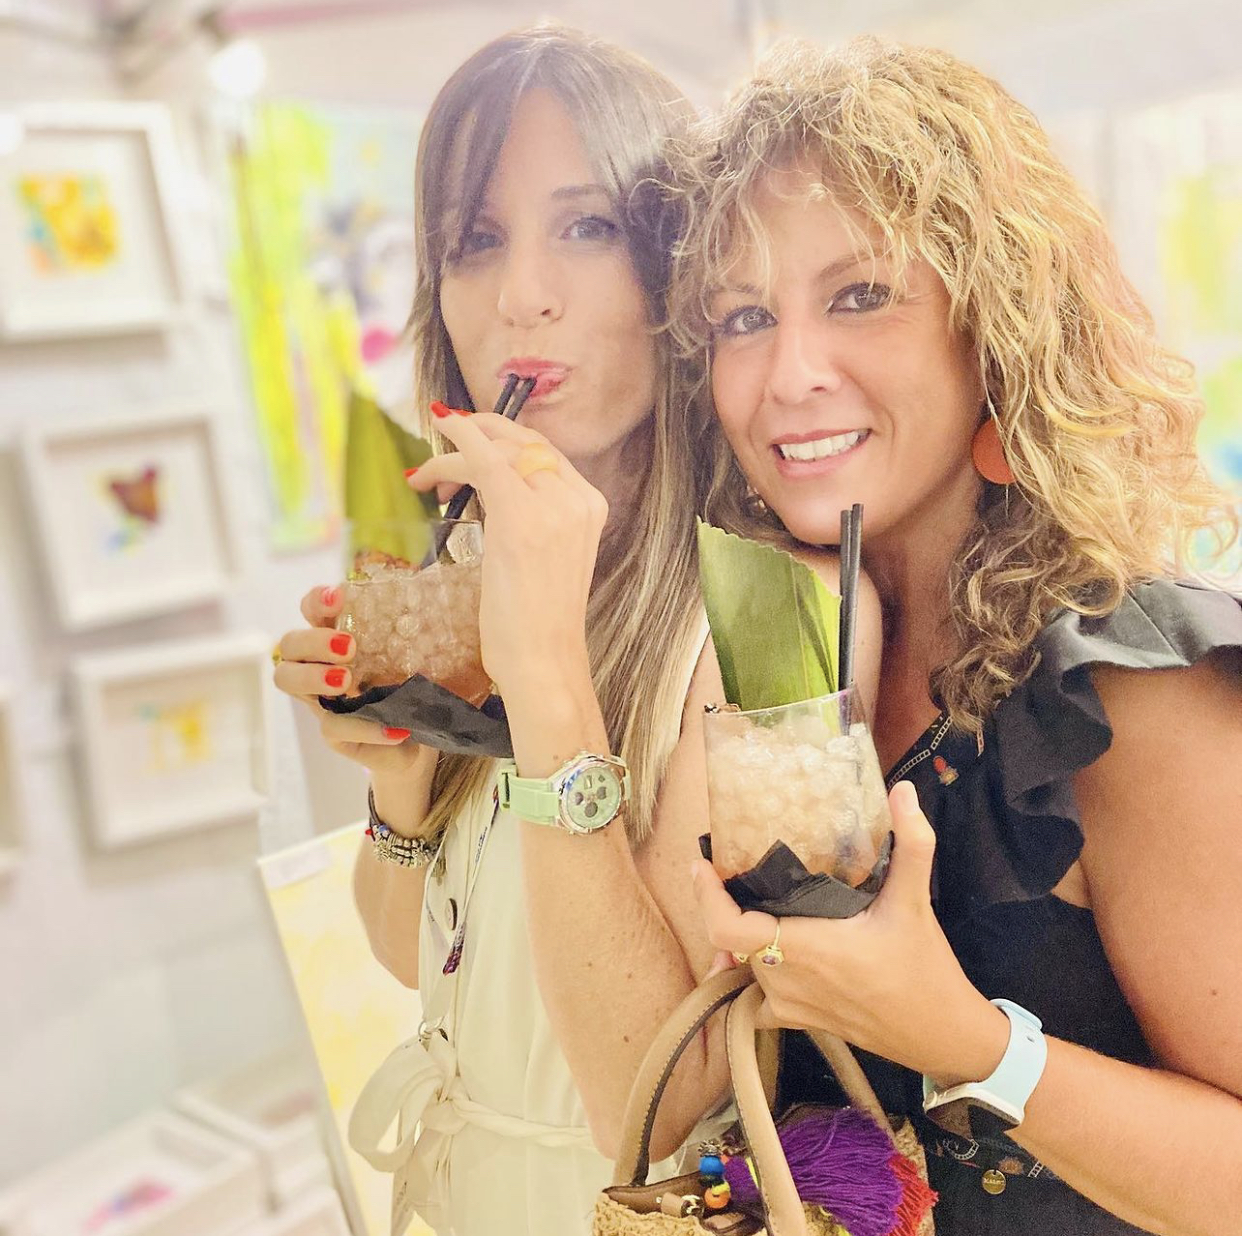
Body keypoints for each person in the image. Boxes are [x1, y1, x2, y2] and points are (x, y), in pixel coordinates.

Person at [273, 25, 881, 1236]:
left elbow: (652, 1102)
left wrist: (547, 679)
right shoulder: (468, 571)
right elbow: (419, 963)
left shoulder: (786, 616)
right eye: (475, 241)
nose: (522, 295)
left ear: (680, 272)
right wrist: (400, 785)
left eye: (588, 226)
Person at [670, 36, 1242, 1236]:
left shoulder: (1129, 683)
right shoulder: (775, 652)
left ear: (998, 326)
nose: (789, 374)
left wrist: (970, 1045)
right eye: (743, 317)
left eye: (860, 296)